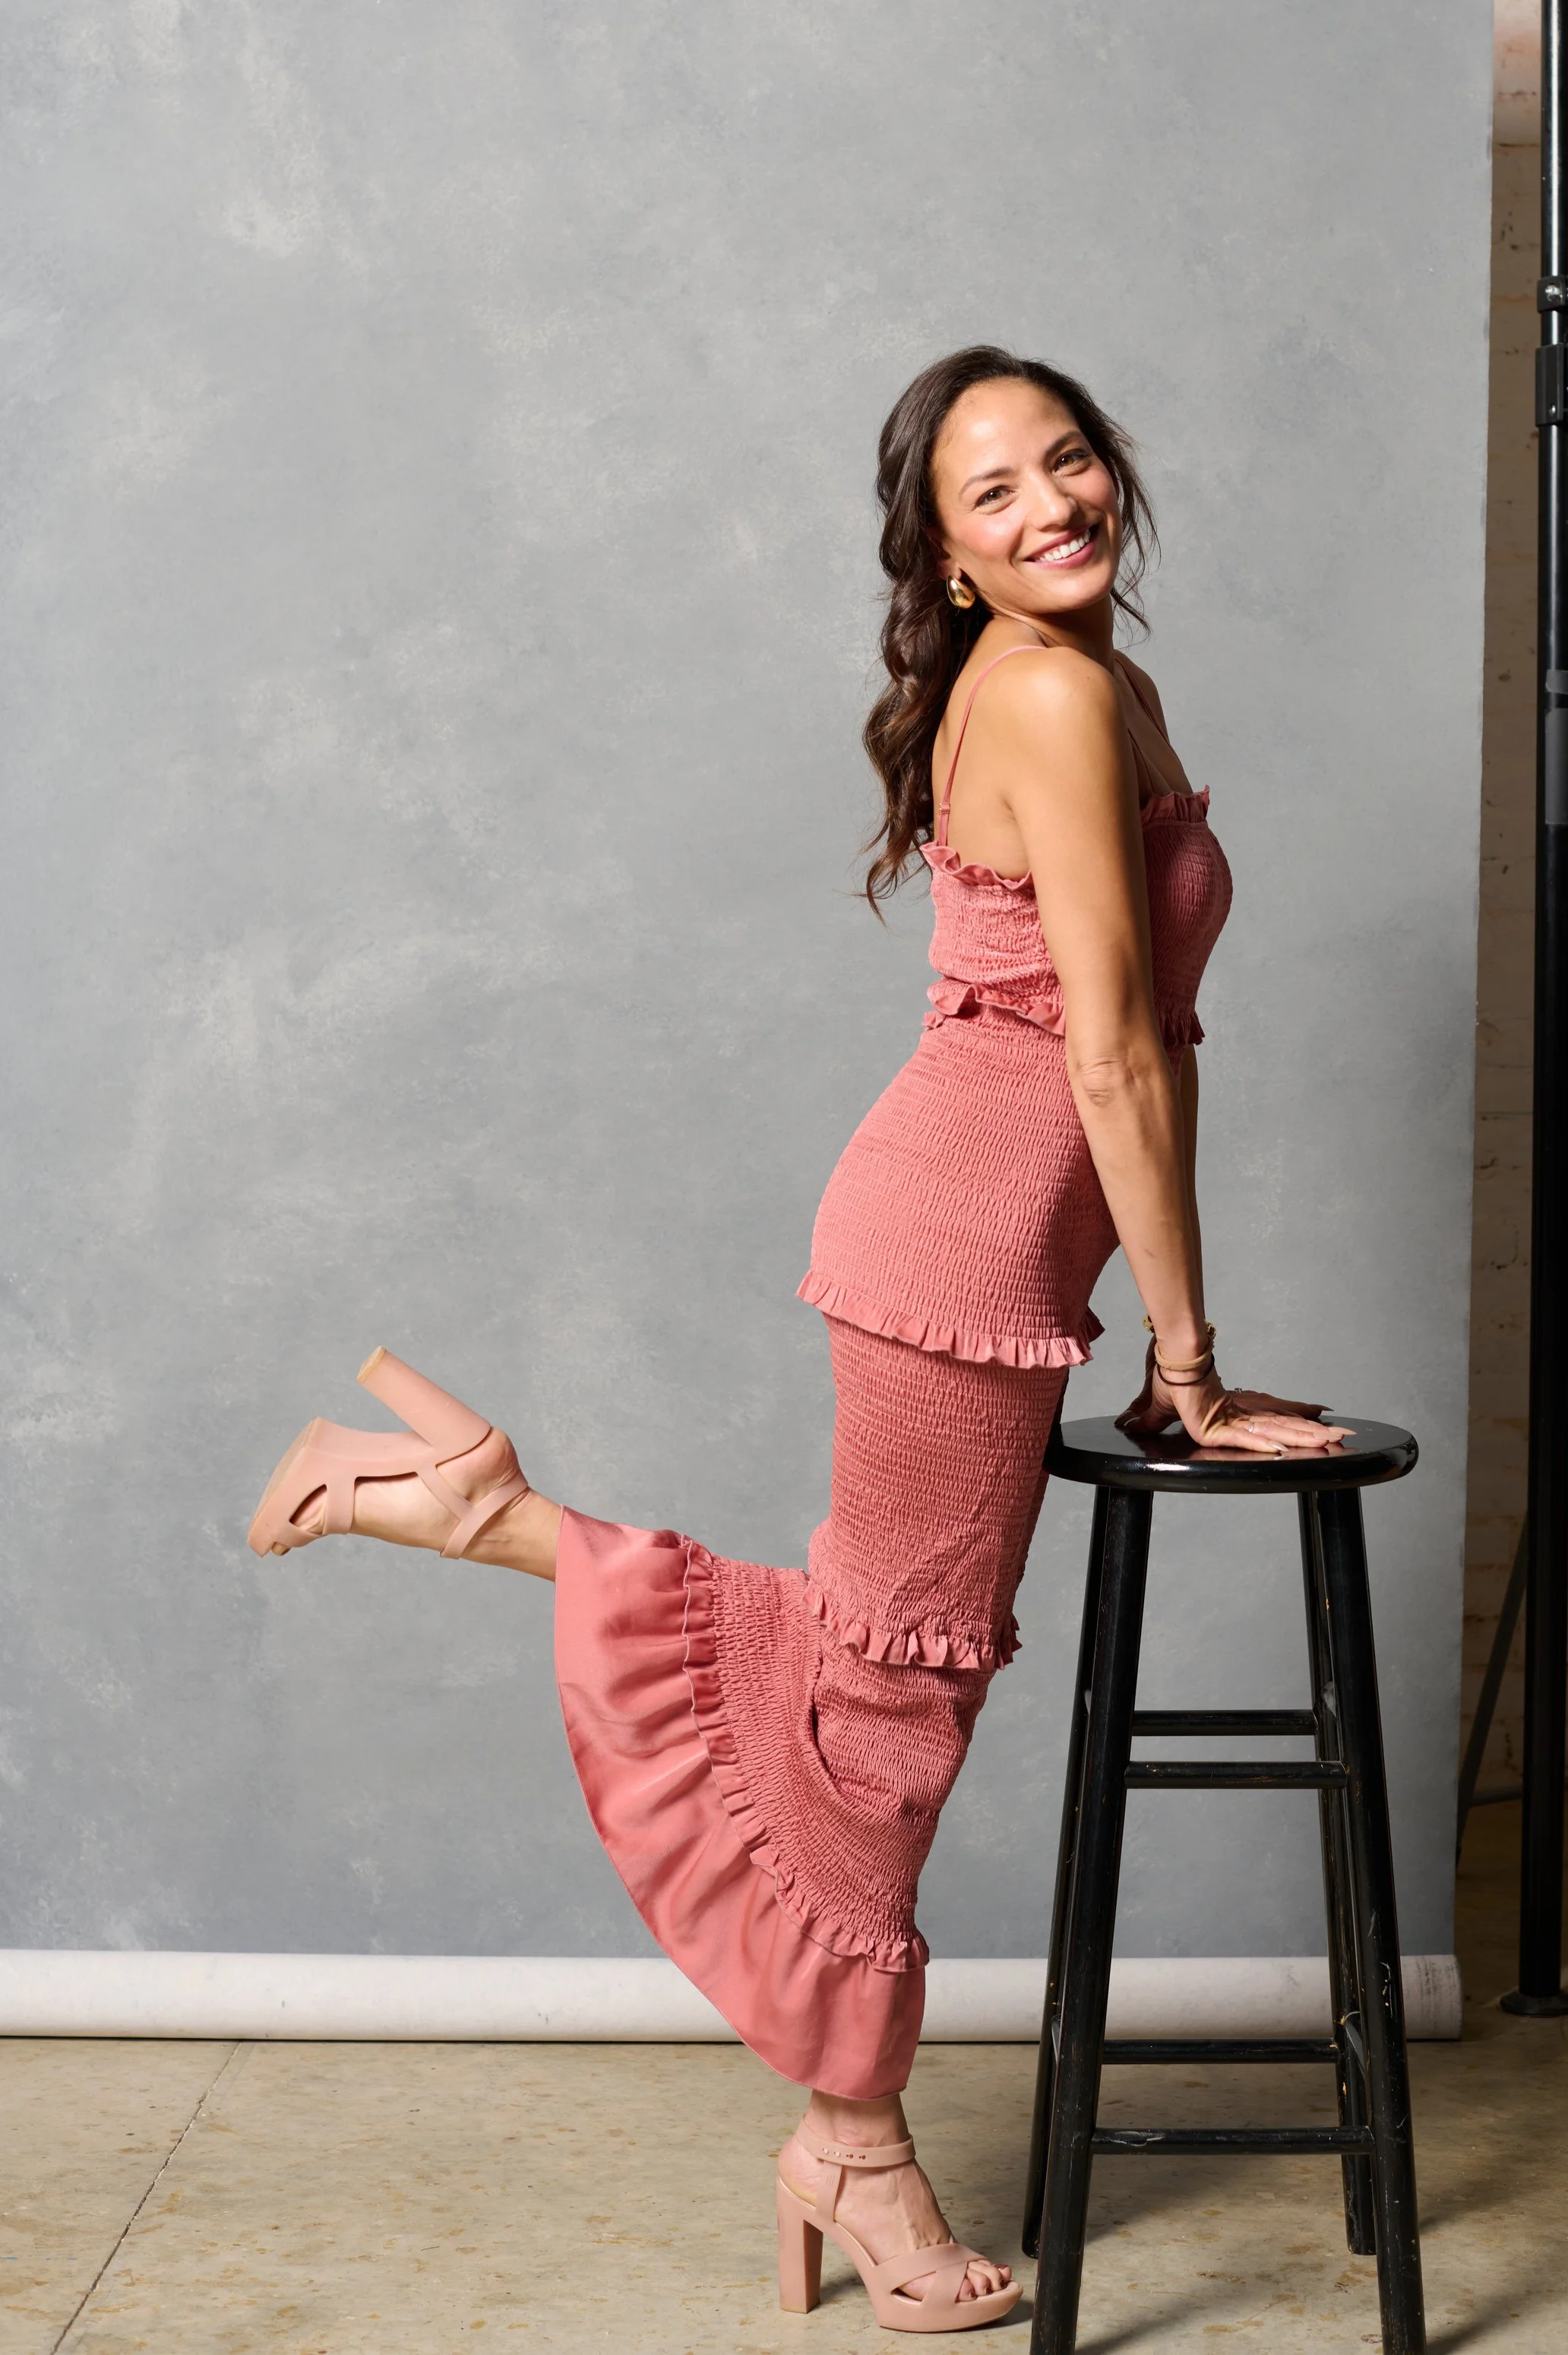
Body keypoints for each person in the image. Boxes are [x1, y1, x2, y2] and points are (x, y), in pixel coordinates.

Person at [248, 346, 1344, 2334]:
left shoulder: (1093, 679)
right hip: (952, 1254)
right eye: (990, 496)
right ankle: (849, 2154)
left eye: (1066, 461)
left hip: (990, 1249)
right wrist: (1185, 1370)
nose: (1049, 509)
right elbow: (1105, 1047)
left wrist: (1159, 1322)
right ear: (943, 553)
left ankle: (465, 1499)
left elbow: (1130, 1043)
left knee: (875, 1666)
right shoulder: (1042, 688)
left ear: (1114, 469)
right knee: (887, 1709)